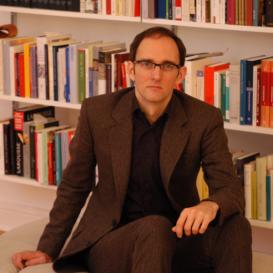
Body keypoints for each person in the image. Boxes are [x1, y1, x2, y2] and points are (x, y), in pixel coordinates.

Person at [12, 26, 252, 273]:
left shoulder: (204, 118)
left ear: (180, 74)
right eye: (147, 63)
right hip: (112, 241)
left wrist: (210, 204)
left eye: (167, 66)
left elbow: (229, 189)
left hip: (177, 236)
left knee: (236, 225)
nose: (156, 75)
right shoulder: (98, 112)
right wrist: (47, 249)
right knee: (154, 228)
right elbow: (75, 186)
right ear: (130, 69)